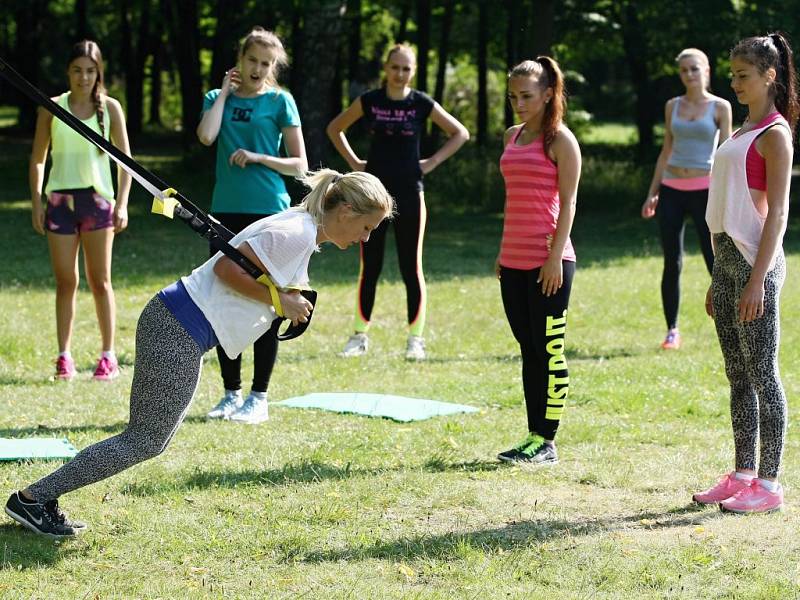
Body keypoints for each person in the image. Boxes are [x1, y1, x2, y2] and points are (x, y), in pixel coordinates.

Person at [4, 169, 394, 538]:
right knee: (144, 440)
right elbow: (227, 269)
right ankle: (33, 499)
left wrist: (284, 300)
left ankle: (36, 500)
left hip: (177, 325)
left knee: (148, 439)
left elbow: (247, 273)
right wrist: (282, 302)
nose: (366, 238)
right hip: (175, 326)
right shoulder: (296, 232)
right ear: (345, 211)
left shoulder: (302, 230)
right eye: (366, 228)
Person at [693, 33, 797, 514]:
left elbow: (777, 214)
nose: (734, 83)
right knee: (738, 376)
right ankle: (742, 473)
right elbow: (725, 209)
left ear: (769, 76)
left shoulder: (775, 134)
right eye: (732, 74)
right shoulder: (739, 132)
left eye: (743, 75)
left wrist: (757, 279)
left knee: (763, 375)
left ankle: (770, 485)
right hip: (727, 262)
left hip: (758, 266)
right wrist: (719, 276)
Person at [326, 43, 469, 361]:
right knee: (370, 266)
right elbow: (335, 128)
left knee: (410, 267)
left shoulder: (421, 103)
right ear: (386, 69)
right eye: (395, 67)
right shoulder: (370, 101)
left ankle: (415, 340)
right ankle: (359, 336)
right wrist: (355, 163)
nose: (400, 74)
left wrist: (430, 163)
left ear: (413, 71)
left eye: (406, 68)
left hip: (409, 193)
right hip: (372, 198)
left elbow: (460, 133)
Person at [197, 27, 307, 423]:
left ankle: (258, 397)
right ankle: (230, 394)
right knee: (226, 296)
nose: (259, 69)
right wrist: (224, 92)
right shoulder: (216, 99)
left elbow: (300, 164)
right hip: (225, 212)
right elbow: (207, 137)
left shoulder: (280, 101)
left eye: (266, 63)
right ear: (239, 60)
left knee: (269, 298)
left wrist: (260, 157)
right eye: (252, 60)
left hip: (268, 213)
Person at [495, 57, 581, 467]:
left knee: (549, 349)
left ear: (548, 94)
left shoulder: (561, 140)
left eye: (526, 96)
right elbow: (514, 200)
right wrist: (502, 251)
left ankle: (547, 439)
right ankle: (533, 436)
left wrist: (553, 258)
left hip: (550, 260)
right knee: (528, 348)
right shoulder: (512, 136)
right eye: (513, 96)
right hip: (512, 260)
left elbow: (569, 203)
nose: (519, 103)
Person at [29, 40, 132, 381]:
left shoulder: (111, 108)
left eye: (90, 71)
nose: (83, 77)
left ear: (98, 73)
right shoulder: (52, 108)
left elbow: (125, 162)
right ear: (68, 72)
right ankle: (64, 356)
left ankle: (107, 355)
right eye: (77, 70)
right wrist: (36, 202)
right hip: (59, 203)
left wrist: (122, 203)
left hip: (98, 203)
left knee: (100, 281)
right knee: (65, 281)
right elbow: (38, 159)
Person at [641, 48, 732, 350]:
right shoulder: (672, 106)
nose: (689, 74)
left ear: (706, 70)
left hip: (705, 191)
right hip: (671, 189)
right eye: (684, 70)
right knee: (672, 261)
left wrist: (726, 195)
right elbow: (666, 149)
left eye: (694, 68)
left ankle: (727, 320)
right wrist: (653, 191)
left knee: (714, 259)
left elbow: (726, 155)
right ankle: (672, 331)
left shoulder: (721, 107)